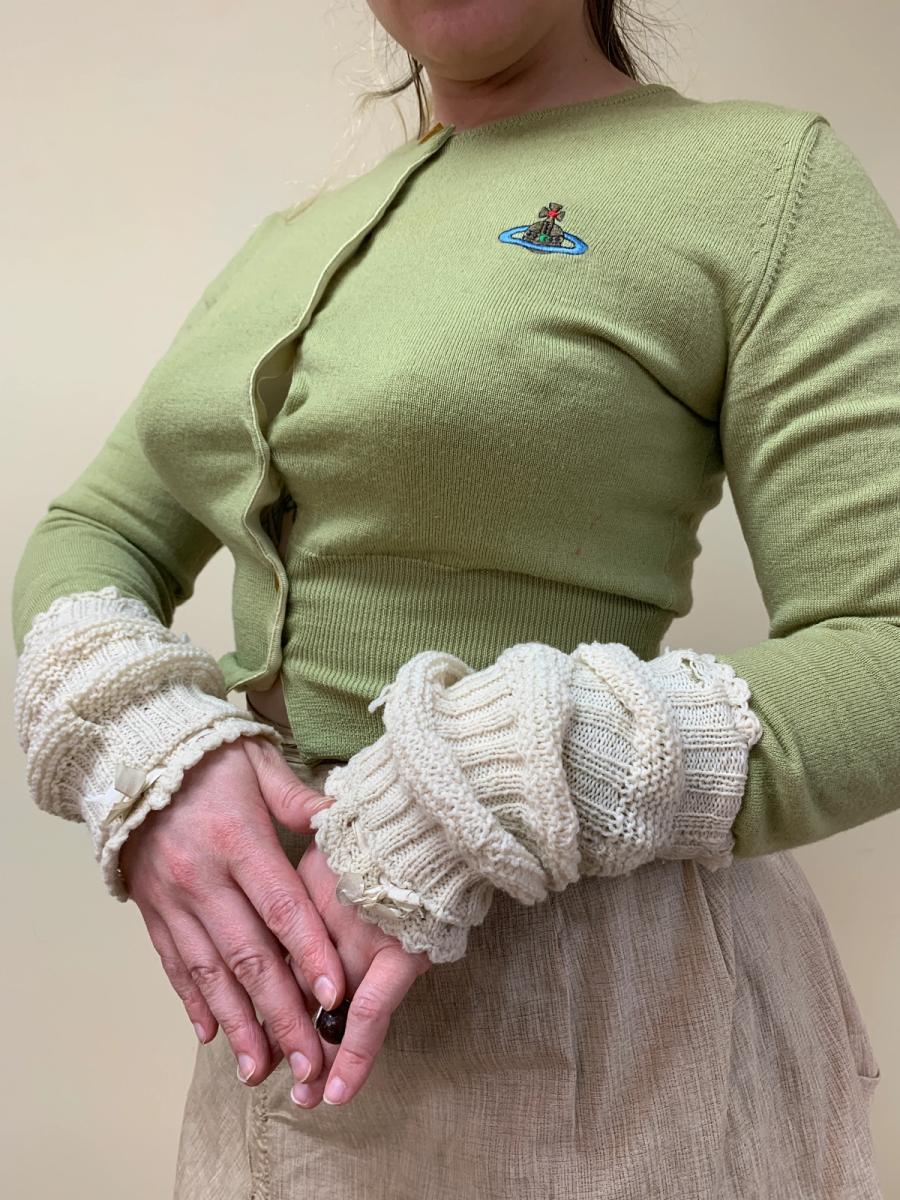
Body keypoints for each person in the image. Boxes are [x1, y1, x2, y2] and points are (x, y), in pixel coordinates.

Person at [11, 1, 897, 1196]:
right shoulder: (291, 238)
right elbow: (96, 532)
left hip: (600, 1029)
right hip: (271, 1016)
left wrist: (470, 784)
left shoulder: (763, 180)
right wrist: (155, 753)